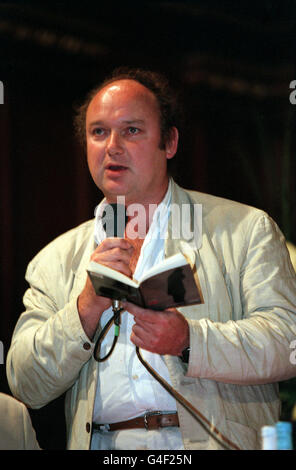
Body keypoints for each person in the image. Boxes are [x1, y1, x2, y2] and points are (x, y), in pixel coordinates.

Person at [6, 67, 296, 450]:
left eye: (131, 130)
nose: (112, 146)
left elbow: (287, 339)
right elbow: (25, 382)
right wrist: (85, 308)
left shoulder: (244, 229)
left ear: (170, 142)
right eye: (98, 132)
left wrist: (190, 340)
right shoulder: (55, 259)